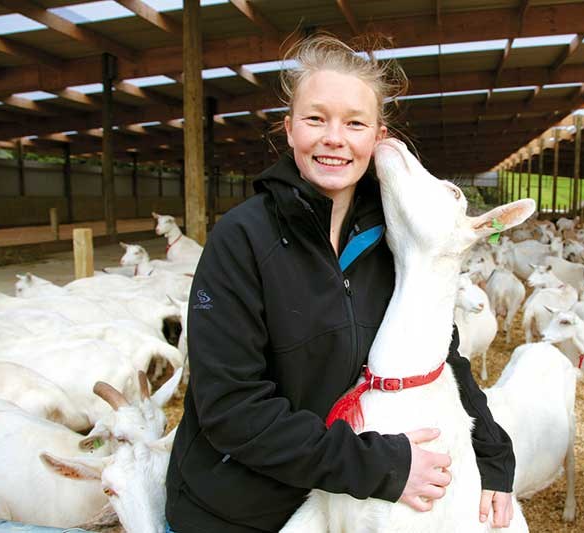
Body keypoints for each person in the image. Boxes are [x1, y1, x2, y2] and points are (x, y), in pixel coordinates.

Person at [165, 34, 516, 533]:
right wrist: (382, 466)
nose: (334, 138)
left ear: (377, 137)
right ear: (289, 131)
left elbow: (444, 356)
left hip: (348, 499)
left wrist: (495, 458)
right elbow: (230, 407)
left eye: (355, 123)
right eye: (315, 119)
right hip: (244, 508)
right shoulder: (242, 238)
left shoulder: (393, 241)